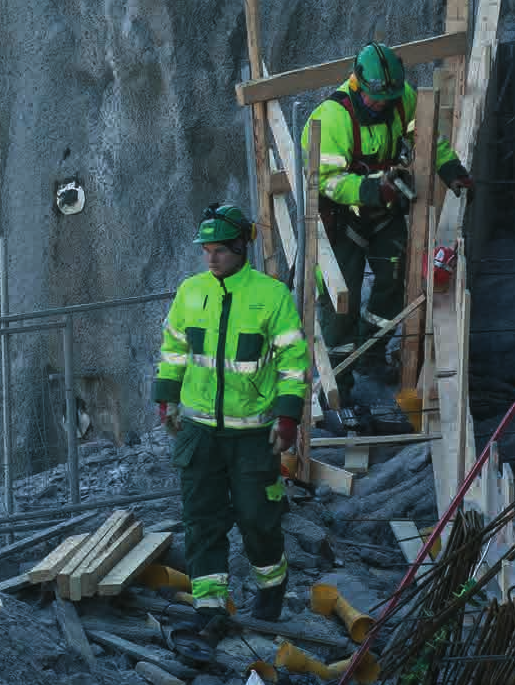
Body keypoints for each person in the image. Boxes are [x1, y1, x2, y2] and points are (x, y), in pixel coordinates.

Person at [153, 202, 308, 628]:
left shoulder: (271, 296)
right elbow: (174, 351)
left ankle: (271, 585)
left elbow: (293, 363)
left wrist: (288, 416)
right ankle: (210, 606)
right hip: (199, 433)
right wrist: (165, 398)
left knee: (258, 518)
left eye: (219, 249)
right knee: (202, 520)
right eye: (206, 250)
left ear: (241, 248)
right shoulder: (190, 292)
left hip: (254, 435)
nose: (211, 257)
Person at [300, 41, 474, 359]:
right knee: (341, 303)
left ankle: (369, 352)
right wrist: (372, 189)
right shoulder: (331, 120)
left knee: (396, 285)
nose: (382, 105)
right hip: (343, 219)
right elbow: (325, 181)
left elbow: (424, 136)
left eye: (387, 99)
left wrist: (451, 170)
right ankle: (341, 381)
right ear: (357, 82)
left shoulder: (400, 97)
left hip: (385, 212)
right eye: (376, 98)